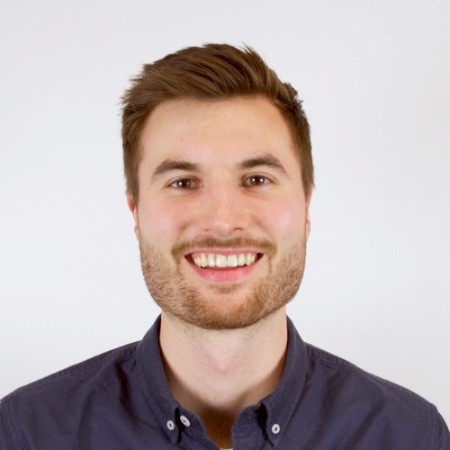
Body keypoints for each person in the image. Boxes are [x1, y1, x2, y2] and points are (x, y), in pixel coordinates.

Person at [0, 44, 448, 450]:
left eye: (256, 179)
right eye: (182, 182)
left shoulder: (409, 436)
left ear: (306, 207)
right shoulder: (28, 434)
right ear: (136, 212)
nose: (221, 220)